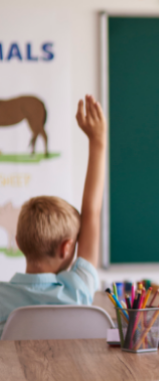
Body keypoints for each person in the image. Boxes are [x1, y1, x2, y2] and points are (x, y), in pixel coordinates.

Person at [0, 95, 106, 336]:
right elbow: (92, 212)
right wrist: (97, 140)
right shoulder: (77, 290)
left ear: (18, 242)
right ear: (68, 246)